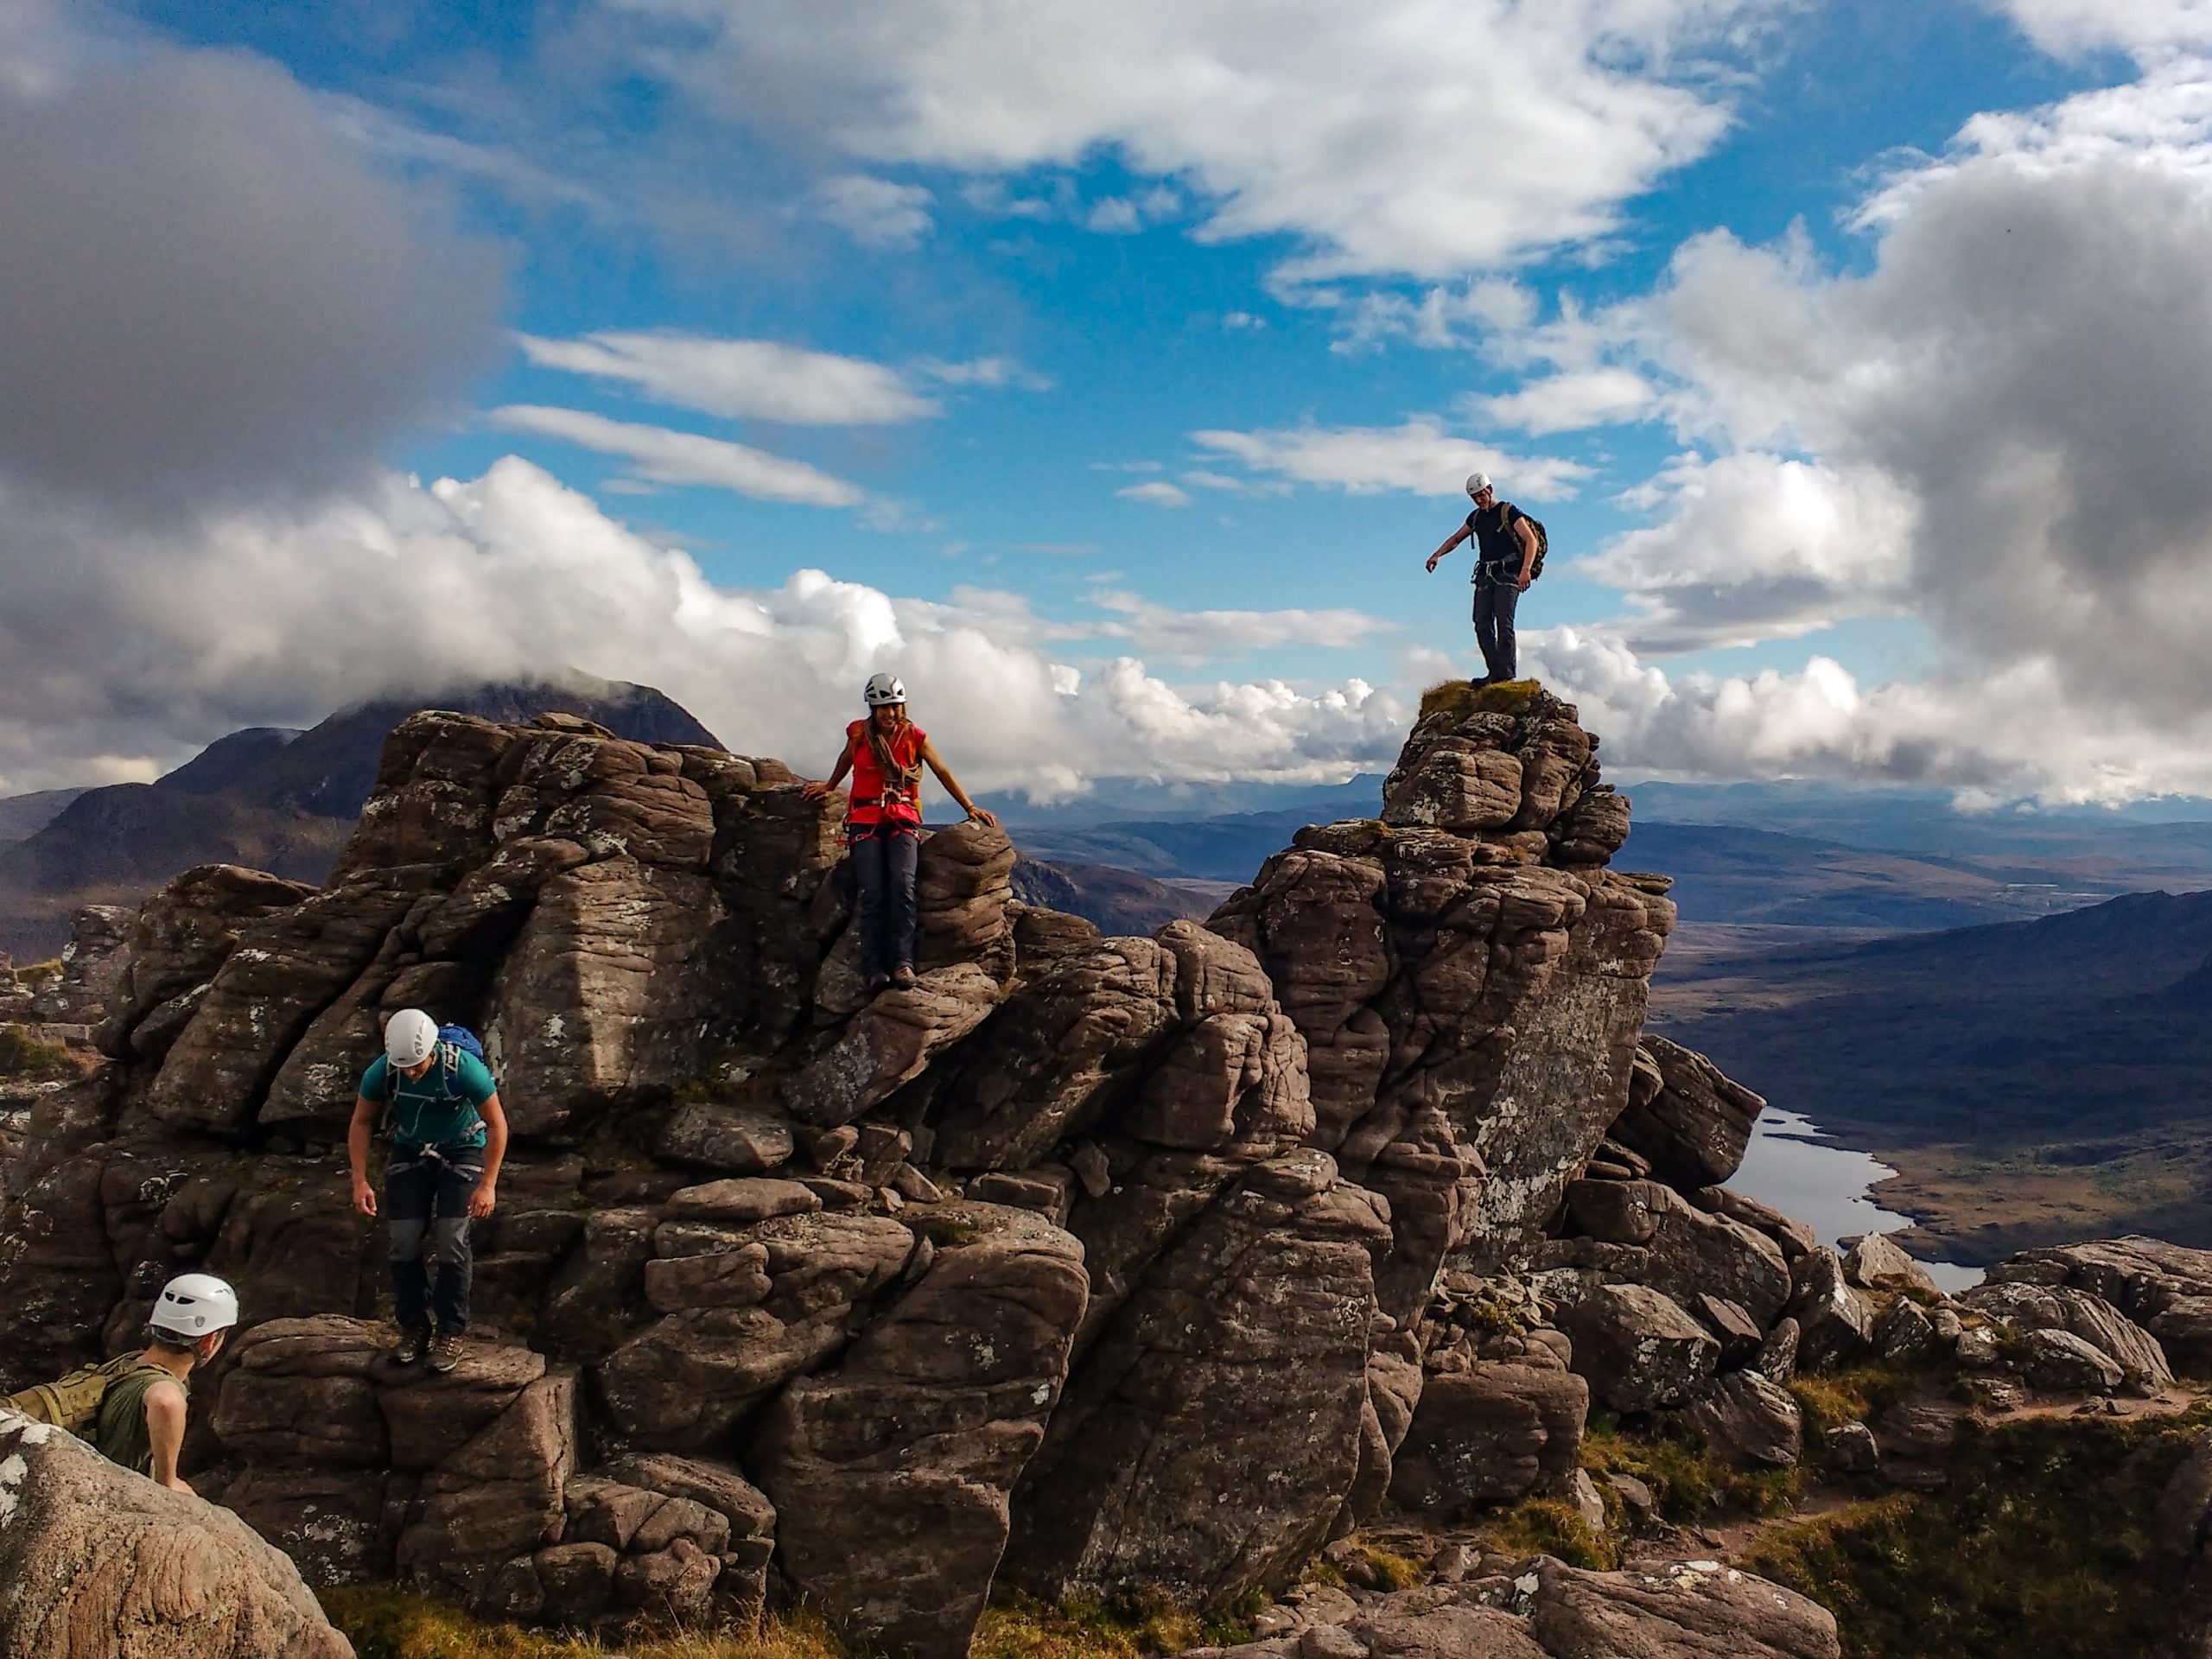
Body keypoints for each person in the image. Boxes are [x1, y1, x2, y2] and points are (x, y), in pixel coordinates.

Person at [800, 673, 1001, 994]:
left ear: (902, 706)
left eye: (893, 707)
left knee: (903, 887)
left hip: (902, 818)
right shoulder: (858, 734)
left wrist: (969, 807)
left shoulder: (915, 738)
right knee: (874, 892)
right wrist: (830, 785)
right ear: (872, 709)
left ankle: (902, 963)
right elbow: (847, 760)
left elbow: (942, 771)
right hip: (865, 819)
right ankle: (873, 968)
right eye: (882, 708)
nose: (889, 714)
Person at [346, 1008, 508, 1373]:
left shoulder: (464, 1069)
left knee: (452, 1236)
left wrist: (488, 1185)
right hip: (411, 1147)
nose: (410, 1073)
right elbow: (361, 1121)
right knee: (403, 1239)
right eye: (404, 1066)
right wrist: (359, 1180)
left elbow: (498, 1125)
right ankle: (414, 1328)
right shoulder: (383, 1071)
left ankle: (451, 1332)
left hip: (462, 1147)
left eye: (417, 1066)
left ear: (432, 1050)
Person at [93, 1273, 238, 1493]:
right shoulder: (164, 1386)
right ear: (210, 1340)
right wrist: (168, 1480)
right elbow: (165, 1401)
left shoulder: (127, 1363)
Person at [1425, 471, 1541, 686]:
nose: (1479, 500)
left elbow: (1530, 540)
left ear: (1490, 490)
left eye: (1481, 495)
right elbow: (1457, 538)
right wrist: (1437, 555)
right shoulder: (1476, 517)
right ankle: (1494, 672)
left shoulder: (1508, 511)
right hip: (1485, 576)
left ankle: (1506, 674)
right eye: (1475, 497)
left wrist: (1525, 571)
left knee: (1504, 623)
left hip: (1508, 574)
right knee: (1481, 623)